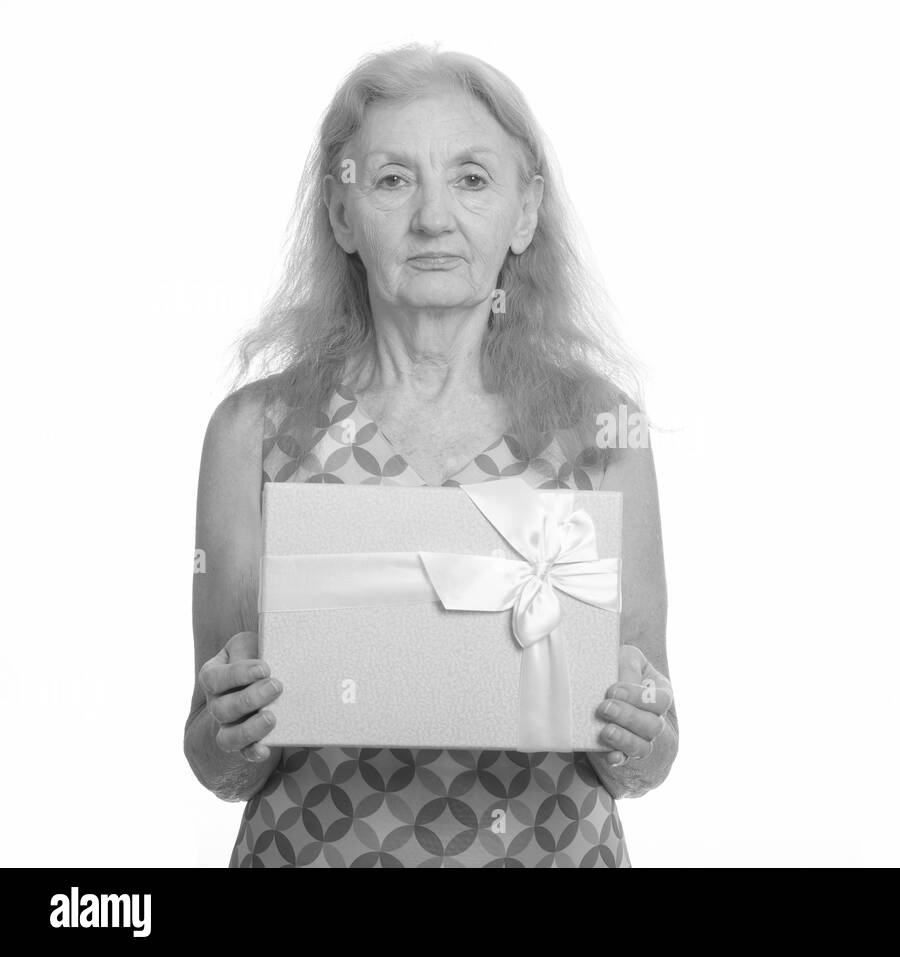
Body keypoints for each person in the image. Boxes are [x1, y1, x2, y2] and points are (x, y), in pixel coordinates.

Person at [183, 44, 677, 867]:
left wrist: (644, 733)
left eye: (473, 178)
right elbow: (216, 757)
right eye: (392, 179)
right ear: (343, 215)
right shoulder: (252, 433)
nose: (433, 217)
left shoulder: (602, 432)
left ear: (525, 213)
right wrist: (225, 732)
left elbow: (649, 752)